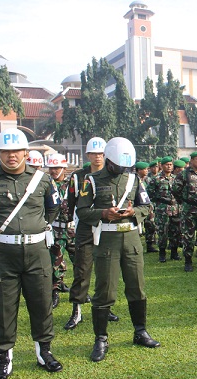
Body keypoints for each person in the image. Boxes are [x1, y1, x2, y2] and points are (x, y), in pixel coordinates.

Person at [0, 128, 63, 379]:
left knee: (42, 302)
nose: (12, 156)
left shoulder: (42, 180)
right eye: (6, 151)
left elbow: (53, 207)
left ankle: (44, 352)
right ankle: (4, 360)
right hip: (2, 254)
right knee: (2, 307)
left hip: (37, 252)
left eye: (16, 151)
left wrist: (36, 226)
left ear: (25, 152)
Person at [77, 137, 160, 362]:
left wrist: (134, 213)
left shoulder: (134, 179)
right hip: (107, 240)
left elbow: (146, 205)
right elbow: (82, 212)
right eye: (116, 165)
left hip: (131, 238)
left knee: (137, 287)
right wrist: (103, 213)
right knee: (105, 290)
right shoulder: (91, 181)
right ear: (107, 159)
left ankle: (140, 331)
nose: (120, 169)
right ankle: (101, 338)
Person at [64, 137, 119, 331]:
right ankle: (77, 310)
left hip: (107, 227)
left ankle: (105, 306)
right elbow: (70, 202)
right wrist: (69, 223)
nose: (98, 157)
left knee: (106, 270)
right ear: (87, 155)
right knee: (82, 269)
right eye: (94, 153)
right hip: (85, 227)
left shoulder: (113, 174)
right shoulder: (78, 176)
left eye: (101, 154)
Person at [46, 153, 70, 309]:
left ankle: (80, 291)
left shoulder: (72, 185)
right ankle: (54, 290)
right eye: (52, 168)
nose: (54, 171)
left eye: (57, 167)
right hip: (55, 228)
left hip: (73, 228)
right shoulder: (46, 185)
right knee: (55, 261)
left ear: (64, 168)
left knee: (81, 261)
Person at [146, 156, 181, 262]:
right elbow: (149, 195)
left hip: (175, 209)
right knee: (162, 232)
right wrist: (161, 199)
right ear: (162, 166)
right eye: (167, 164)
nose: (169, 166)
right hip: (162, 210)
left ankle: (174, 253)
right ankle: (162, 254)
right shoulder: (156, 179)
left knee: (175, 231)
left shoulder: (175, 179)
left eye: (171, 164)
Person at [136, 161, 159, 253]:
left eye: (146, 169)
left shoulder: (148, 180)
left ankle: (149, 245)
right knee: (137, 228)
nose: (146, 171)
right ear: (138, 170)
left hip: (148, 206)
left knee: (150, 225)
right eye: (144, 169)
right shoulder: (134, 180)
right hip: (137, 207)